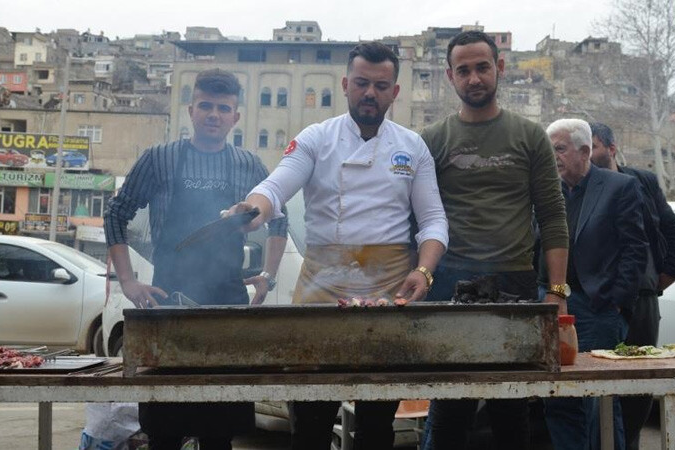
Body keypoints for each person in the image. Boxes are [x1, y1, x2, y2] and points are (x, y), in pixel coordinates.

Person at [229, 42, 449, 450]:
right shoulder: (316, 138)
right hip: (322, 288)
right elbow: (277, 186)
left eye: (381, 85)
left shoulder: (412, 146)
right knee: (310, 422)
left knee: (377, 426)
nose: (370, 93)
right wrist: (254, 207)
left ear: (394, 92)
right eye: (362, 83)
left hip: (389, 291)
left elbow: (433, 219)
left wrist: (424, 269)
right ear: (346, 85)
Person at [103, 68, 288, 450]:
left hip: (227, 307)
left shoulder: (248, 165)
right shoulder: (160, 159)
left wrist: (267, 275)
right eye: (206, 106)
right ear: (191, 110)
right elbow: (115, 214)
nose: (213, 115)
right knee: (164, 430)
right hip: (167, 302)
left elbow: (278, 221)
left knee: (220, 433)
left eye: (223, 108)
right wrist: (128, 282)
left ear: (235, 117)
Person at [417, 30, 569, 450]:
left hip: (515, 282)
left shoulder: (529, 135)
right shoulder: (433, 140)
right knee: (450, 407)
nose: (474, 78)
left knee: (512, 408)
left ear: (499, 69)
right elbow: (420, 217)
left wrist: (557, 292)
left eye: (482, 67)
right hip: (450, 281)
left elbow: (553, 216)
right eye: (463, 70)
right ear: (450, 77)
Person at [540, 118, 648, 450]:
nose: (553, 156)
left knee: (598, 400)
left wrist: (615, 303)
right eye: (550, 149)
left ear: (585, 150)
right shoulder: (546, 191)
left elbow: (635, 249)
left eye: (559, 148)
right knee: (557, 398)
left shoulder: (620, 187)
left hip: (598, 308)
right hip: (551, 304)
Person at [589, 122, 675, 450]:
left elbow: (670, 226)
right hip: (600, 298)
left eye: (594, 146)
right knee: (600, 382)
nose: (588, 154)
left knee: (640, 376)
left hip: (642, 295)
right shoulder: (579, 188)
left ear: (612, 149)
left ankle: (628, 442)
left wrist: (669, 271)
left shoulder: (642, 181)